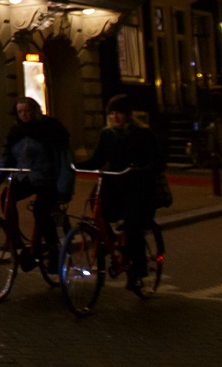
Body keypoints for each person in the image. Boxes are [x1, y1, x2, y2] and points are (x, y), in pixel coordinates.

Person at [81, 95, 160, 295]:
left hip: (137, 184)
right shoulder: (107, 134)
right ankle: (109, 238)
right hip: (114, 182)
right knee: (95, 202)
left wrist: (143, 169)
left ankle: (137, 273)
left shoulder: (143, 133)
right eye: (112, 113)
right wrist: (75, 166)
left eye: (119, 113)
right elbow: (97, 159)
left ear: (128, 115)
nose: (115, 117)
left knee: (134, 226)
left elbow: (158, 160)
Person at [0, 96, 74, 253]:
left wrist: (64, 188)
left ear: (35, 111)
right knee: (7, 197)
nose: (23, 115)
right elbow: (6, 154)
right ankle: (13, 238)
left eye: (27, 111)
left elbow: (63, 159)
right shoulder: (16, 131)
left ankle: (53, 247)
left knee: (41, 210)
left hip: (47, 179)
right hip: (25, 177)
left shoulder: (49, 128)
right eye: (20, 112)